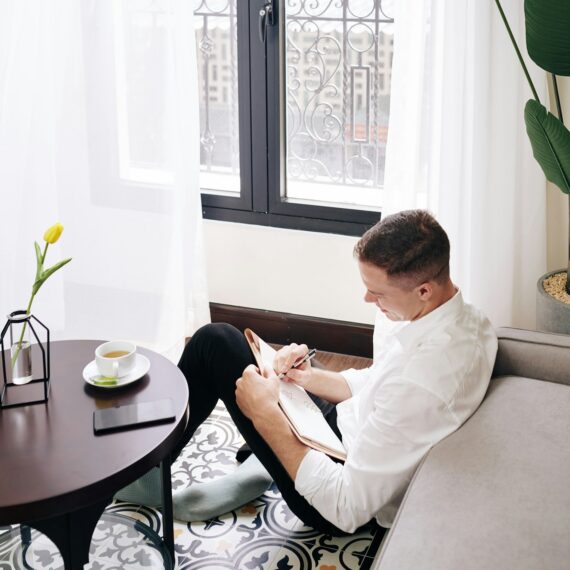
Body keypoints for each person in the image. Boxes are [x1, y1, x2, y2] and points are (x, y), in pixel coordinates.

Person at [120, 209, 498, 534]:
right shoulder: (467, 322)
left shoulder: (426, 381)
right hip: (341, 433)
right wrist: (309, 377)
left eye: (377, 293)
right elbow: (379, 385)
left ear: (424, 290)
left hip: (332, 492)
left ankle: (146, 470)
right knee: (239, 351)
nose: (368, 299)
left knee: (212, 344)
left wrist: (266, 415)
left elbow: (346, 507)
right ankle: (257, 468)